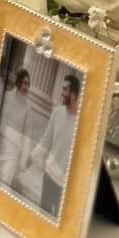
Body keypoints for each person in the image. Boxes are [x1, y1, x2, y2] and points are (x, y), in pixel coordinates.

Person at [25, 72, 82, 221]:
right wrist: (32, 156)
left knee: (59, 221)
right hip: (49, 175)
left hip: (65, 185)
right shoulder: (57, 113)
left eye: (65, 89)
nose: (61, 92)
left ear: (74, 93)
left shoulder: (82, 123)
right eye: (62, 88)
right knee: (42, 217)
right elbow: (46, 141)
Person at [0, 65, 41, 194]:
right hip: (0, 145)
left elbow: (27, 135)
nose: (26, 87)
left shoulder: (28, 108)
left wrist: (23, 160)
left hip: (13, 151)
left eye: (28, 84)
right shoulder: (7, 97)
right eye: (24, 83)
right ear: (18, 82)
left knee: (5, 182)